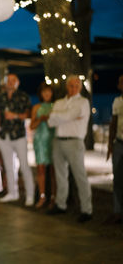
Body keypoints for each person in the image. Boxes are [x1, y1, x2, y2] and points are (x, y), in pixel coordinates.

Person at [47, 75, 92, 223]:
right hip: (58, 141)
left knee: (80, 176)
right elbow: (51, 122)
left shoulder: (83, 102)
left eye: (76, 86)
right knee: (60, 175)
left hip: (74, 142)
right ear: (67, 86)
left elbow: (65, 116)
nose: (74, 88)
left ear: (80, 87)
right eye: (71, 86)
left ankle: (87, 209)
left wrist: (58, 115)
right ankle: (61, 205)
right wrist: (64, 116)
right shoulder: (59, 102)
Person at [0, 74, 35, 206]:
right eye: (8, 81)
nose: (10, 83)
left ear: (17, 83)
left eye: (13, 81)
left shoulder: (22, 96)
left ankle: (30, 195)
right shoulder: (0, 97)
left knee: (24, 166)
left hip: (19, 136)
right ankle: (12, 193)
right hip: (3, 136)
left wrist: (15, 115)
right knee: (8, 166)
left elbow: (28, 114)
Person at [30, 83, 56, 209]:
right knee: (40, 170)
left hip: (53, 140)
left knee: (53, 170)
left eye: (49, 91)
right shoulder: (36, 107)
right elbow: (31, 126)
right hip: (40, 140)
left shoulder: (56, 106)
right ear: (41, 94)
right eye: (44, 92)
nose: (47, 94)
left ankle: (53, 197)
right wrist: (41, 119)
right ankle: (42, 196)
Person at [106, 74, 123, 224]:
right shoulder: (117, 101)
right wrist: (110, 144)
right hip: (119, 143)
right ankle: (117, 211)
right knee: (117, 178)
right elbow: (113, 123)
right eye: (121, 82)